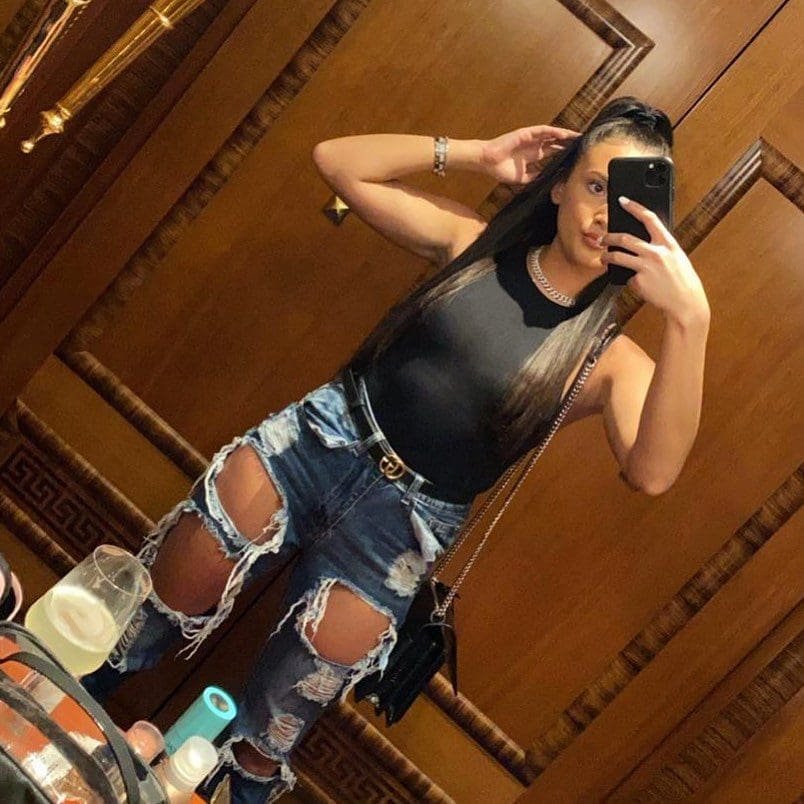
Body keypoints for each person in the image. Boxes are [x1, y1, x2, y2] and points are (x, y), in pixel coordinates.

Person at [82, 96, 711, 802]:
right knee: (146, 617)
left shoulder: (613, 361)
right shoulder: (473, 243)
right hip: (318, 441)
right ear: (560, 185)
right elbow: (337, 162)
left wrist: (690, 319)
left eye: (627, 204)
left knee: (264, 744)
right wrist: (476, 154)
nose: (603, 215)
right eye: (595, 185)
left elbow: (653, 473)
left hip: (401, 533)